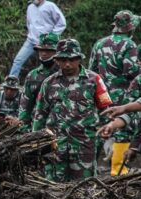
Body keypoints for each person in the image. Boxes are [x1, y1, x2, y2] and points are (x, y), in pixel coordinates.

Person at [33, 39, 113, 182]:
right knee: (54, 185)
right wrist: (36, 143)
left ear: (79, 59)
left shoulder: (94, 80)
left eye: (72, 59)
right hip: (56, 145)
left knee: (85, 185)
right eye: (63, 60)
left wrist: (102, 136)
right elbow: (40, 114)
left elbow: (105, 111)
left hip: (84, 144)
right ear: (57, 60)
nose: (67, 64)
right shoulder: (49, 83)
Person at [89, 10, 139, 176]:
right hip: (123, 96)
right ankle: (119, 173)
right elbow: (130, 71)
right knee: (123, 132)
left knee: (100, 129)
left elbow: (92, 73)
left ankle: (90, 172)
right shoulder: (129, 45)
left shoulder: (99, 43)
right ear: (130, 28)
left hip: (102, 95)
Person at [8, 0, 66, 77]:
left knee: (52, 63)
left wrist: (52, 36)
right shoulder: (30, 7)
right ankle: (11, 82)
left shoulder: (50, 6)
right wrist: (30, 33)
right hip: (31, 41)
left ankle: (57, 81)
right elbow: (29, 23)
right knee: (18, 60)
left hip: (47, 43)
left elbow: (62, 23)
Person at [17, 32, 60, 131]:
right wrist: (24, 128)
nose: (44, 53)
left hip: (62, 129)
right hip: (38, 127)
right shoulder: (33, 76)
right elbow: (25, 106)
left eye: (48, 50)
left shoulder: (65, 72)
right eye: (41, 50)